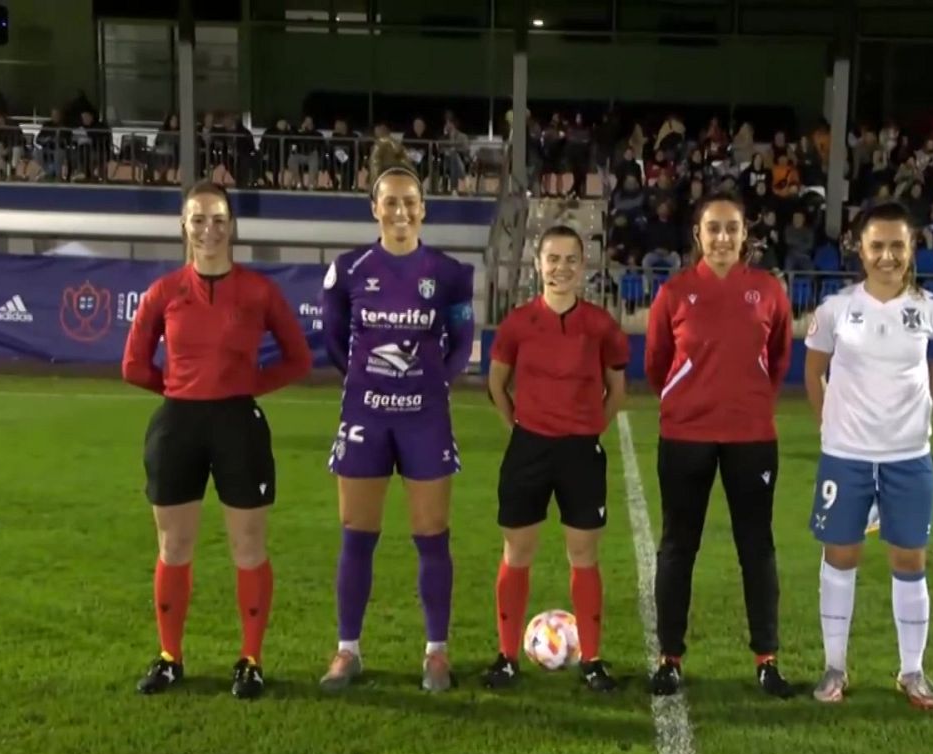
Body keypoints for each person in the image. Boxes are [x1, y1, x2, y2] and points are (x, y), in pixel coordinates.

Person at [122, 180, 314, 700]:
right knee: (174, 545)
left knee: (247, 546)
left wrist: (246, 388)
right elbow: (133, 365)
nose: (209, 229)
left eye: (219, 220)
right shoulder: (164, 292)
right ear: (183, 227)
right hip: (178, 425)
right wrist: (180, 391)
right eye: (198, 219)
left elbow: (299, 358)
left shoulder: (258, 291)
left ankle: (250, 660)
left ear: (233, 227)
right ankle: (169, 657)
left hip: (238, 425)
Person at [318, 139, 476, 693]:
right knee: (356, 535)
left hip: (425, 417)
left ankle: (436, 652)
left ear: (423, 208)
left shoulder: (450, 273)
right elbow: (335, 340)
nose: (401, 211)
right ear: (375, 209)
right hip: (367, 412)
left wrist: (432, 382)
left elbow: (462, 341)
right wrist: (368, 382)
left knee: (432, 535)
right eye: (391, 202)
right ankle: (347, 651)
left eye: (410, 201)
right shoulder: (349, 270)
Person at [644, 190, 795, 698]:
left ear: (745, 234)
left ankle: (767, 660)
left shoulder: (769, 290)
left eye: (732, 228)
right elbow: (656, 363)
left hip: (751, 437)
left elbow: (778, 360)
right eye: (714, 228)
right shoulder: (675, 293)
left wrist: (747, 402)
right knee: (677, 547)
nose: (724, 237)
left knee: (756, 548)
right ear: (698, 235)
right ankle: (669, 658)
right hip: (685, 435)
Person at [802, 202, 933, 707]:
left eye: (897, 245)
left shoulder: (932, 309)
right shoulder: (836, 309)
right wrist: (830, 425)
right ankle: (834, 668)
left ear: (911, 251)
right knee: (841, 554)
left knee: (909, 557)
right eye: (877, 246)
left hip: (908, 455)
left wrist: (923, 417)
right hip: (846, 455)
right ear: (861, 250)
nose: (886, 255)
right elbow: (814, 370)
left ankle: (913, 671)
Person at [485, 225, 627, 691]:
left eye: (570, 260)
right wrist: (521, 429)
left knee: (583, 554)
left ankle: (592, 658)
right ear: (538, 264)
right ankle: (507, 657)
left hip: (581, 452)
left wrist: (588, 431)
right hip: (529, 448)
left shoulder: (600, 325)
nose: (560, 268)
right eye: (552, 259)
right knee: (517, 551)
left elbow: (616, 388)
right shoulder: (517, 324)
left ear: (582, 266)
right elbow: (496, 384)